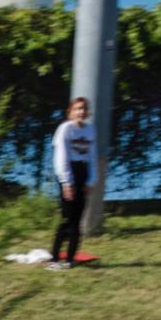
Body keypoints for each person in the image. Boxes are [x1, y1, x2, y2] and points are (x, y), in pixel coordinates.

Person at [48, 94, 97, 267]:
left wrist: (91, 180)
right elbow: (61, 156)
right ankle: (54, 258)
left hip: (82, 172)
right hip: (69, 172)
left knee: (77, 219)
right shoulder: (65, 129)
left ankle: (70, 259)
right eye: (77, 109)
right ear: (70, 111)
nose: (81, 112)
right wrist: (66, 182)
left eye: (84, 109)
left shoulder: (90, 130)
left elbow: (92, 156)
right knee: (66, 218)